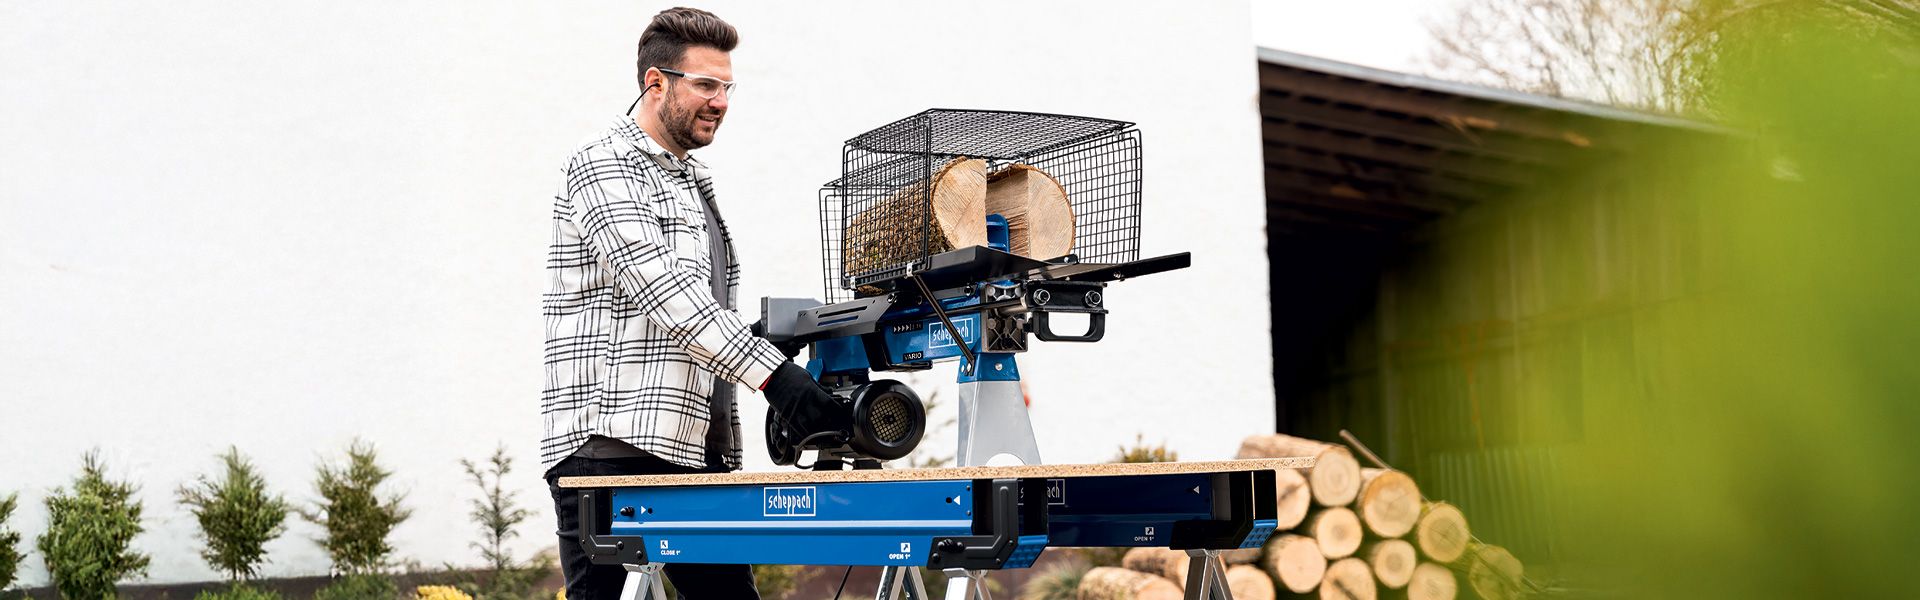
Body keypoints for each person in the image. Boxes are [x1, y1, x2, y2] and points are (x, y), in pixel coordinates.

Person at [540, 7, 845, 599]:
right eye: (706, 84)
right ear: (656, 83)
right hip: (611, 449)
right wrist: (774, 377)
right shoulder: (602, 166)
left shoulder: (691, 179)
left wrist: (760, 341)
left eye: (727, 86)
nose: (722, 100)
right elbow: (663, 292)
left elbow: (695, 307)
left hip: (691, 451)